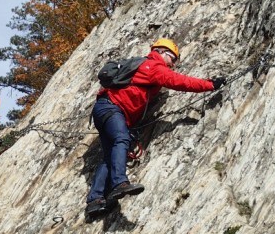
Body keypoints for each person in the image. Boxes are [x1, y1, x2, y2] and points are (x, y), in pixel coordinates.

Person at [86, 38, 226, 219]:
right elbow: (179, 81)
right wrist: (210, 84)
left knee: (109, 155)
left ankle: (95, 200)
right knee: (122, 139)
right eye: (173, 58)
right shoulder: (153, 67)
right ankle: (119, 183)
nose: (174, 64)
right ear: (161, 52)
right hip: (113, 109)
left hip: (106, 109)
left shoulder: (143, 66)